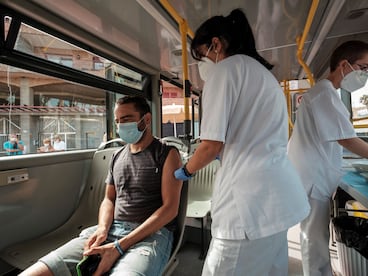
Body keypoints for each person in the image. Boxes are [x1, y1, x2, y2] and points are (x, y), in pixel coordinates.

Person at [174, 9, 310, 276]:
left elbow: (211, 145)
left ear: (216, 44)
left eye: (201, 56)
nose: (202, 65)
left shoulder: (224, 72)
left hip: (246, 204)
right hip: (277, 197)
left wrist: (183, 172)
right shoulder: (264, 77)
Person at [287, 40, 368, 276]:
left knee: (314, 239)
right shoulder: (323, 94)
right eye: (363, 67)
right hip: (313, 181)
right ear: (344, 65)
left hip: (313, 177)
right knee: (314, 242)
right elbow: (347, 139)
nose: (366, 74)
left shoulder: (326, 94)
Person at [21, 95, 183, 276]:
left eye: (127, 119)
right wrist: (102, 229)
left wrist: (120, 246)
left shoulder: (167, 154)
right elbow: (109, 198)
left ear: (146, 119)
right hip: (113, 228)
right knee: (37, 272)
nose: (121, 125)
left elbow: (170, 209)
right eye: (117, 121)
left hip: (151, 235)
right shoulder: (117, 156)